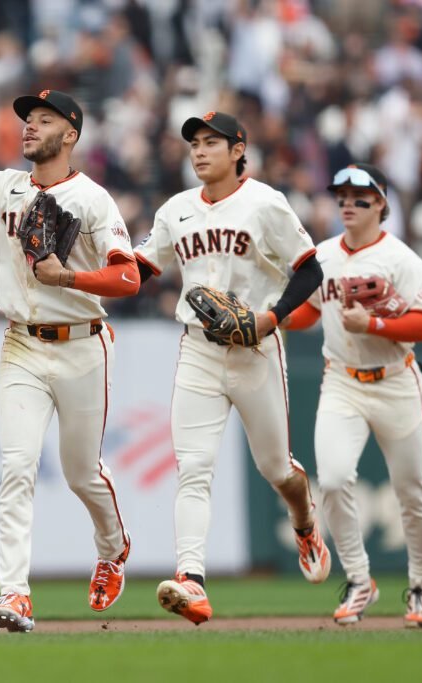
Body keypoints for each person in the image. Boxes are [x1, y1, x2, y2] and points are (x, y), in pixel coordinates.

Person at [0, 64, 139, 633]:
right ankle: (14, 595)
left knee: (82, 472)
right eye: (28, 119)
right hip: (21, 345)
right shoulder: (4, 187)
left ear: (72, 134)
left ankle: (112, 547)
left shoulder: (92, 200)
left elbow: (129, 279)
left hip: (84, 344)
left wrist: (67, 279)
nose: (30, 127)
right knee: (16, 466)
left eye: (44, 120)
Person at [134, 111, 329, 625]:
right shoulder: (176, 210)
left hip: (257, 349)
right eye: (194, 143)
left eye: (211, 142)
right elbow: (138, 268)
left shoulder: (266, 203)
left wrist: (270, 318)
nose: (199, 151)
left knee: (276, 470)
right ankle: (192, 581)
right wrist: (78, 275)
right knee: (193, 468)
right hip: (198, 349)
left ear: (239, 149)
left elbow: (310, 270)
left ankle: (304, 519)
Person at [285, 163, 422, 627]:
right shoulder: (323, 256)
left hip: (396, 379)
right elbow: (309, 312)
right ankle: (359, 580)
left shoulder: (402, 259)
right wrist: (270, 320)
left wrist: (373, 323)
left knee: (412, 491)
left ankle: (419, 587)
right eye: (343, 196)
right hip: (343, 380)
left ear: (382, 204)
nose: (349, 204)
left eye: (361, 196)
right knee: (330, 480)